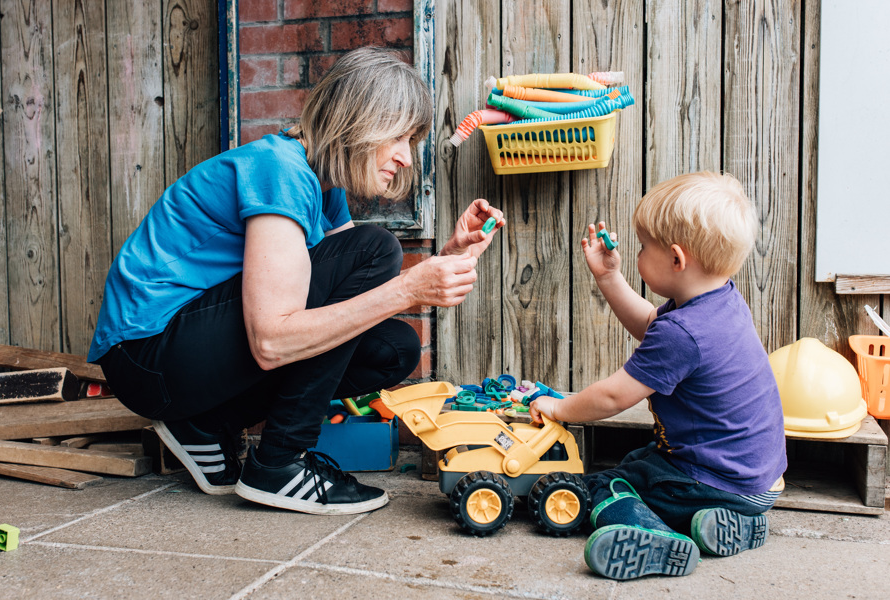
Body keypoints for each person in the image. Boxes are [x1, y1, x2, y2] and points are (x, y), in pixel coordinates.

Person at [88, 47, 505, 516]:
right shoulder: (280, 169)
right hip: (145, 356)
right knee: (377, 248)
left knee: (392, 347)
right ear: (360, 121)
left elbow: (357, 298)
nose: (407, 158)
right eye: (401, 138)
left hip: (180, 361)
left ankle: (204, 425)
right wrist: (409, 288)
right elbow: (270, 341)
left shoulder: (326, 188)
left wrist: (445, 259)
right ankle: (279, 463)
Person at [529, 172, 786, 580]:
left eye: (643, 247)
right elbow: (652, 325)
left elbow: (614, 398)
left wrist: (559, 407)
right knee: (643, 462)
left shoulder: (684, 332)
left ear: (677, 259)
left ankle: (652, 538)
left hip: (715, 480)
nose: (637, 254)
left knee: (606, 484)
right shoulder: (721, 303)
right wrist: (609, 277)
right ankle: (727, 523)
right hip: (761, 483)